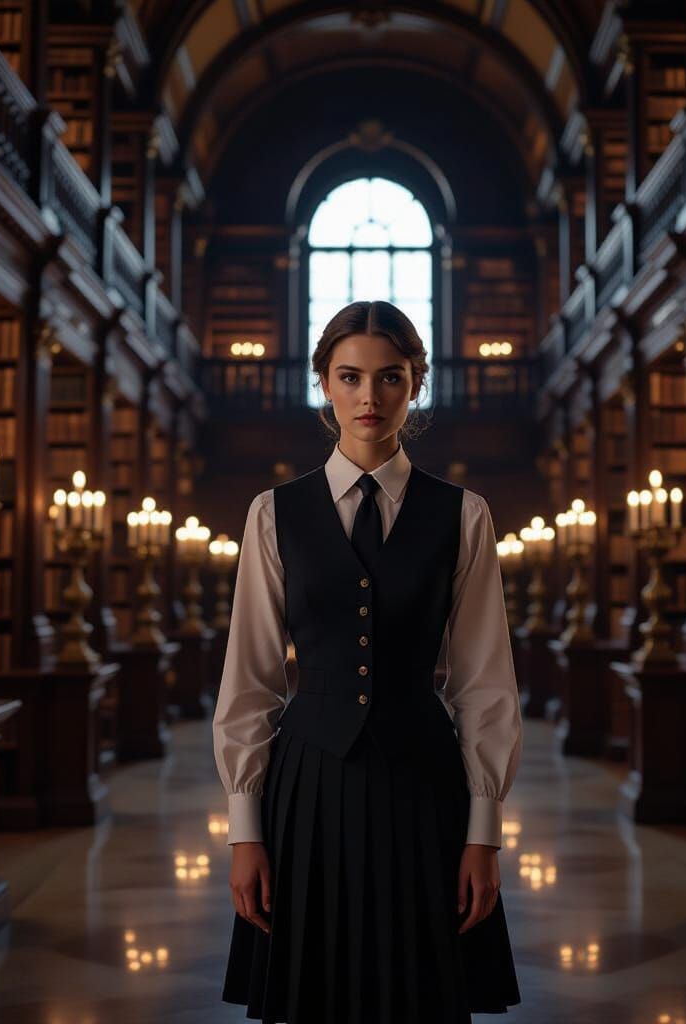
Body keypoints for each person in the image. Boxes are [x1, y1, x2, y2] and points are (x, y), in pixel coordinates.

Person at [213, 299, 523, 1023]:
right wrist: (243, 830)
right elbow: (251, 680)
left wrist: (485, 836)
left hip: (424, 787)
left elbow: (485, 684)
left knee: (420, 997)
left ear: (415, 384)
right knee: (314, 997)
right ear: (325, 382)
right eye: (350, 377)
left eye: (390, 378)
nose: (369, 397)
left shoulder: (463, 514)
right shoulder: (271, 513)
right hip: (307, 786)